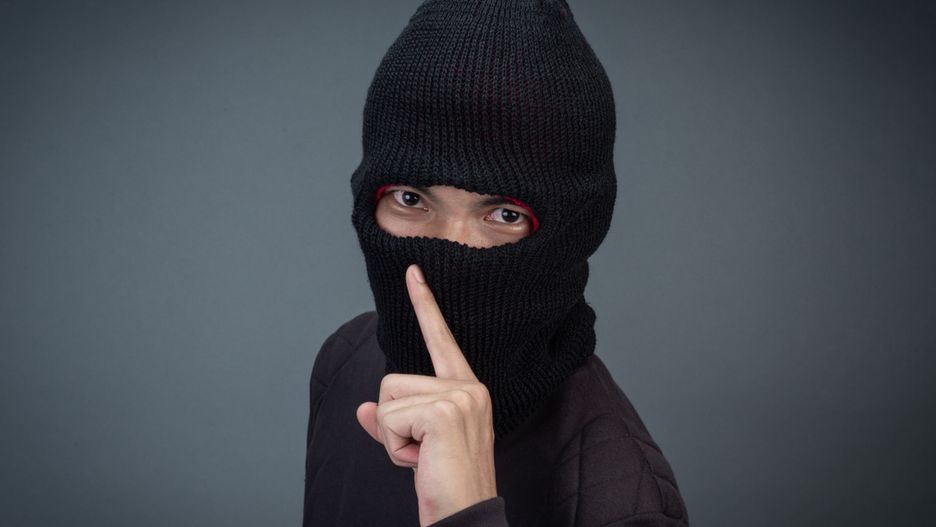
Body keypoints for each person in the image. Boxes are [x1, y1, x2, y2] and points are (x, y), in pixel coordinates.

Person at [303, 1, 689, 525]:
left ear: (575, 229)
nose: (450, 247)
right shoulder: (345, 360)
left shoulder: (622, 498)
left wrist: (466, 511)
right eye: (411, 199)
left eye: (505, 214)